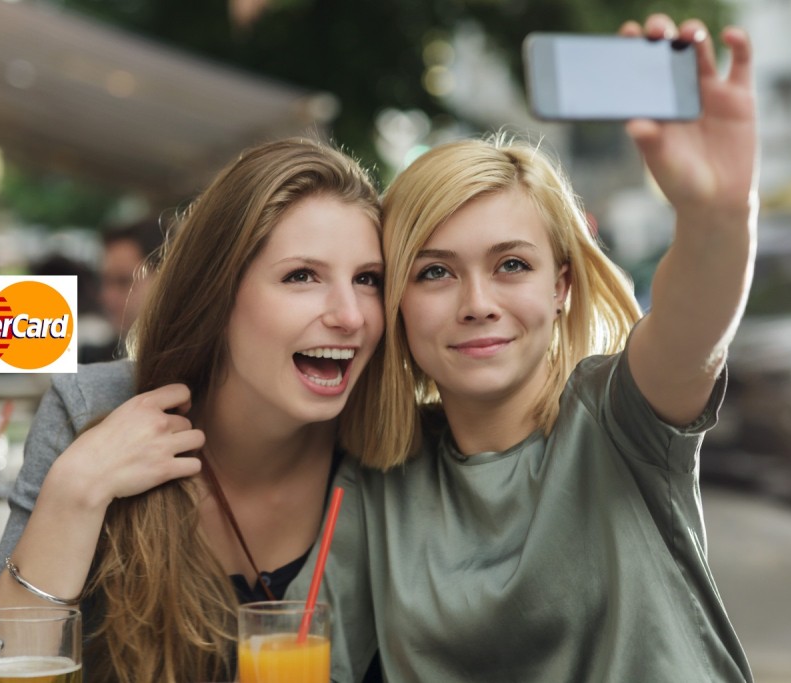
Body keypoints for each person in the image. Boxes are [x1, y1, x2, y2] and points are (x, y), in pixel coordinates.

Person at [290, 14, 757, 682]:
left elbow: (694, 332)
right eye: (434, 271)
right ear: (395, 301)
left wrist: (719, 217)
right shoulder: (374, 482)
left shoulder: (617, 417)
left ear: (561, 283)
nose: (477, 301)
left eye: (511, 264)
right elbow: (302, 657)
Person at [0, 138, 385, 683]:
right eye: (301, 276)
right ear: (217, 295)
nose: (351, 315)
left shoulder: (388, 452)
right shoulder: (90, 412)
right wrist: (75, 491)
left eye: (368, 280)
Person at [83, 217, 167, 362]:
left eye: (123, 281)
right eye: (104, 281)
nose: (106, 296)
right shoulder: (95, 359)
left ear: (166, 280)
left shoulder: (200, 371)